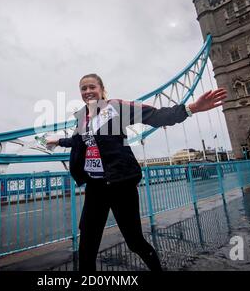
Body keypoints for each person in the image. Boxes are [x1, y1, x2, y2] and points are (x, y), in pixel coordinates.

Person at [46, 73, 227, 271]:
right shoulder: (82, 118)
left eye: (92, 87)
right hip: (95, 186)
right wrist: (58, 141)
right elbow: (80, 142)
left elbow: (154, 115)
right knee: (87, 241)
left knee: (134, 241)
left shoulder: (114, 108)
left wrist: (190, 109)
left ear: (101, 89)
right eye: (83, 88)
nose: (88, 91)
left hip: (120, 183)